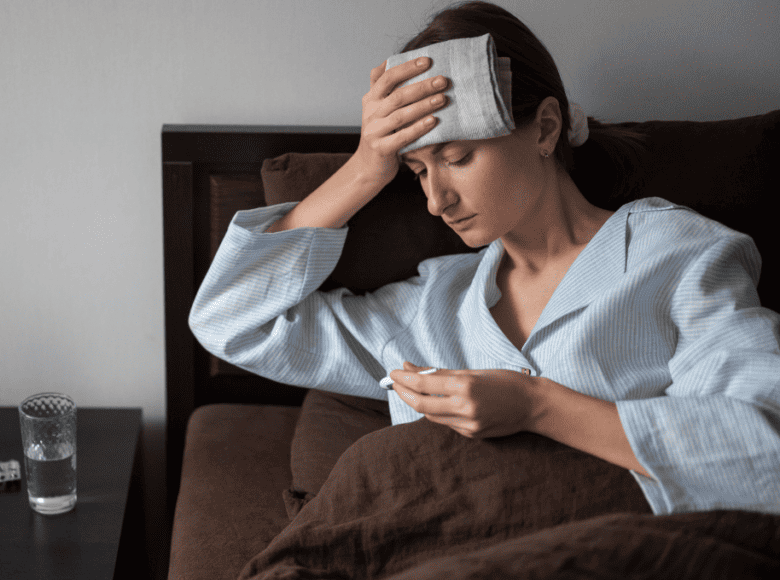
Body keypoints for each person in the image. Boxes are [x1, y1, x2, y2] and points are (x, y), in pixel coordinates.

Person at [189, 0, 780, 515]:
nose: (435, 200)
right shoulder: (432, 306)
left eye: (459, 157)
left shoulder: (677, 257)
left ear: (545, 128)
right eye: (418, 170)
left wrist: (537, 406)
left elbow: (764, 450)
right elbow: (228, 321)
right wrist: (366, 168)